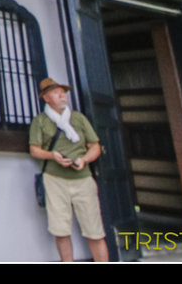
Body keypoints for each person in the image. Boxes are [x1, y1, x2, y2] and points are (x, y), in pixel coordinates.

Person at [29, 78, 109, 262]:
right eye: (56, 92)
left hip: (83, 178)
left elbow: (95, 146)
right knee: (61, 230)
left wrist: (84, 159)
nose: (62, 95)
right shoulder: (40, 121)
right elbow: (34, 149)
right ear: (46, 98)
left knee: (95, 230)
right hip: (54, 179)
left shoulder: (78, 118)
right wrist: (53, 156)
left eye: (63, 91)